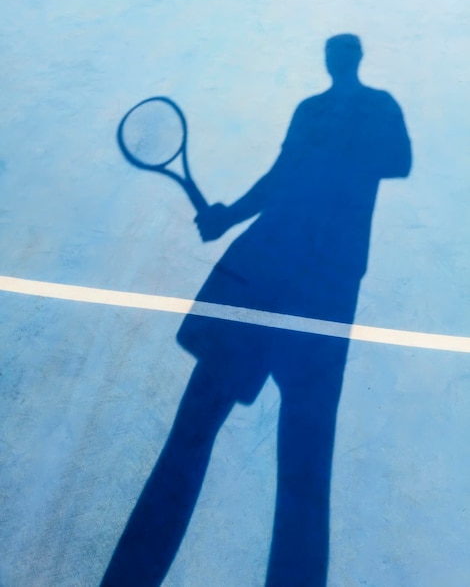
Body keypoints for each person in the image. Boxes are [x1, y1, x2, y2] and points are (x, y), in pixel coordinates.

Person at [101, 34, 411, 587]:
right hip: (284, 276)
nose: (338, 61)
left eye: (342, 55)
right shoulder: (318, 110)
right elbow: (280, 178)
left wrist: (321, 157)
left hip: (300, 282)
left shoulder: (366, 108)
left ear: (350, 60)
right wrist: (229, 216)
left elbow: (396, 162)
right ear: (340, 60)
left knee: (295, 456)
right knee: (214, 432)